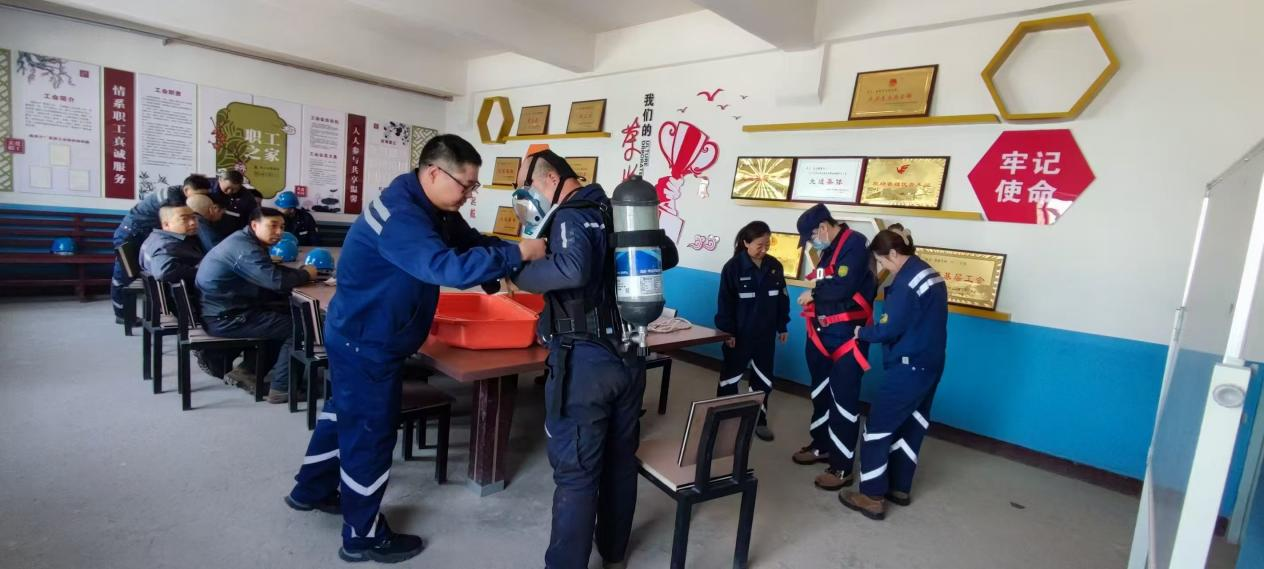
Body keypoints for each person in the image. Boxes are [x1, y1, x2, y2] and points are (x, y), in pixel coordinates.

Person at [287, 135, 546, 564]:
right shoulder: (403, 217)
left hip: (361, 331)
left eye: (473, 186)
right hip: (367, 341)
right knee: (369, 434)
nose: (469, 194)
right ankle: (362, 537)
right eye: (466, 185)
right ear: (433, 173)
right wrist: (519, 252)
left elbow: (469, 243)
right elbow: (444, 267)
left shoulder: (433, 208)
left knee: (342, 414)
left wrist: (508, 260)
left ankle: (309, 489)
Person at [510, 149, 678, 569]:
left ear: (549, 180)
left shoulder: (570, 216)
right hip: (631, 355)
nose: (527, 194)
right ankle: (614, 553)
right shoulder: (620, 211)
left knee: (577, 472)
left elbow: (572, 271)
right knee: (620, 462)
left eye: (528, 185)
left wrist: (515, 270)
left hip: (585, 363)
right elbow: (669, 256)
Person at [839, 225, 947, 520]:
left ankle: (871, 495)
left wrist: (862, 332)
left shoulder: (905, 283)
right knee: (913, 423)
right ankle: (899, 487)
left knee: (878, 427)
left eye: (882, 261)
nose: (883, 267)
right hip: (931, 363)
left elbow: (889, 328)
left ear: (894, 253)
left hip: (908, 366)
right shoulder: (930, 273)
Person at [792, 203, 877, 492]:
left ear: (823, 228)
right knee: (820, 394)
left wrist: (814, 293)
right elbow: (825, 278)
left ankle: (841, 466)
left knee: (843, 402)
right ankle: (822, 445)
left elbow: (843, 286)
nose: (812, 243)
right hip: (821, 334)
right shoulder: (829, 249)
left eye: (812, 237)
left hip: (846, 338)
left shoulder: (855, 245)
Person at [195, 207, 318, 403]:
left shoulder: (243, 240)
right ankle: (283, 389)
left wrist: (299, 274)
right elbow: (276, 282)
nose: (279, 232)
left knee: (288, 313)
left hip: (223, 310)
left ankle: (247, 371)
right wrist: (306, 274)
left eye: (282, 227)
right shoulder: (245, 248)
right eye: (273, 226)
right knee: (301, 327)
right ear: (254, 225)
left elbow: (268, 271)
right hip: (226, 318)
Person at [714, 221, 789, 442]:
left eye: (767, 245)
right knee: (730, 379)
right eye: (759, 245)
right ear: (746, 243)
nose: (764, 249)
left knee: (763, 380)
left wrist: (782, 325)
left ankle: (759, 420)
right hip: (739, 336)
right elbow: (725, 303)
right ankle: (724, 419)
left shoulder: (774, 266)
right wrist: (727, 332)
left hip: (765, 336)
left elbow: (782, 299)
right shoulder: (733, 268)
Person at [110, 175, 212, 323]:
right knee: (123, 275)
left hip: (147, 232)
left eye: (205, 195)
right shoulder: (174, 199)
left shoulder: (181, 198)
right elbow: (165, 270)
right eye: (199, 195)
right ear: (187, 190)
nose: (201, 199)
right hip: (131, 233)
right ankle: (122, 315)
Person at [139, 205, 204, 285]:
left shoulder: (154, 236)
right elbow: (164, 272)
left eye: (193, 217)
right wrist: (202, 271)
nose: (192, 223)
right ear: (166, 224)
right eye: (184, 219)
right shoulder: (168, 246)